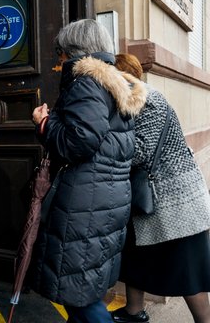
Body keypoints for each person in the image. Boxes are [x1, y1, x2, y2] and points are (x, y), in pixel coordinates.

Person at [31, 19, 147, 323]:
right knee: (84, 288)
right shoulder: (115, 83)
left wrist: (44, 123)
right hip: (104, 198)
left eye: (61, 54)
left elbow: (78, 141)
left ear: (74, 51)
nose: (59, 62)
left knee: (79, 296)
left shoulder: (86, 82)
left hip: (85, 203)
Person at [111, 53, 210, 323]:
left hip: (178, 200)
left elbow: (140, 151)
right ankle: (134, 311)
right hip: (154, 199)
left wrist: (105, 142)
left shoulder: (149, 100)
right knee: (135, 255)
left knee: (188, 268)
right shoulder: (131, 101)